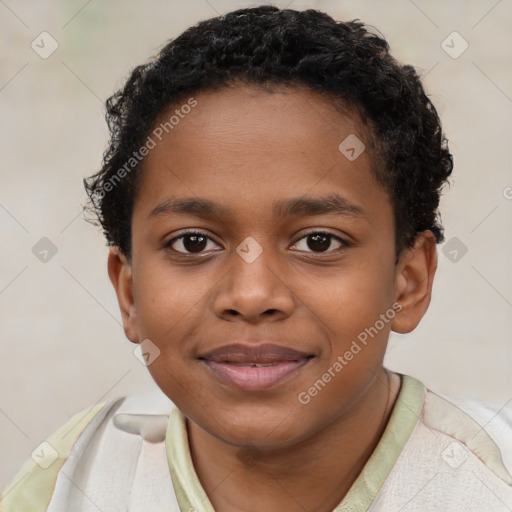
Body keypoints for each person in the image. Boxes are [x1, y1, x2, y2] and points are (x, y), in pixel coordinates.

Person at [2, 5, 511, 511]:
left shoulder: (490, 482)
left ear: (408, 281)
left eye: (318, 242)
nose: (251, 296)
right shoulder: (69, 481)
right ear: (129, 292)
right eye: (193, 243)